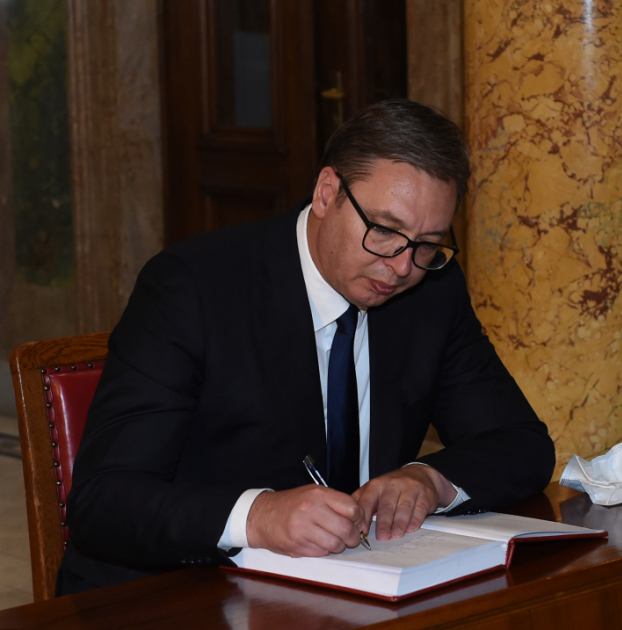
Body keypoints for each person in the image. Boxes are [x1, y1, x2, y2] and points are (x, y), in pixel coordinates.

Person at [59, 100, 556, 594]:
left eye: (426, 243)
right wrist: (258, 516)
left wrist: (430, 480)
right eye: (385, 230)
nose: (402, 266)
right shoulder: (193, 288)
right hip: (181, 592)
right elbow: (104, 501)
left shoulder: (431, 292)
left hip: (354, 590)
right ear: (326, 193)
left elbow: (522, 444)